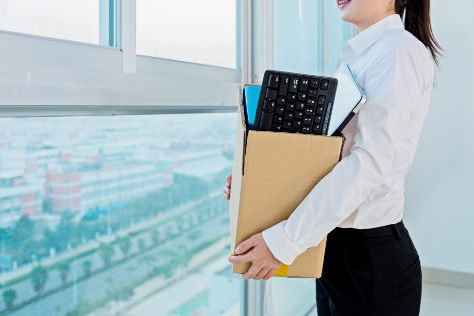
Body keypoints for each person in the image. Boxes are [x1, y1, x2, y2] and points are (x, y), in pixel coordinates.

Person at [224, 0, 442, 315]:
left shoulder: (399, 51)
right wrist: (255, 183)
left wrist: (285, 241)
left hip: (369, 258)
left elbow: (368, 163)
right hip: (331, 246)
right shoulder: (356, 59)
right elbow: (328, 159)